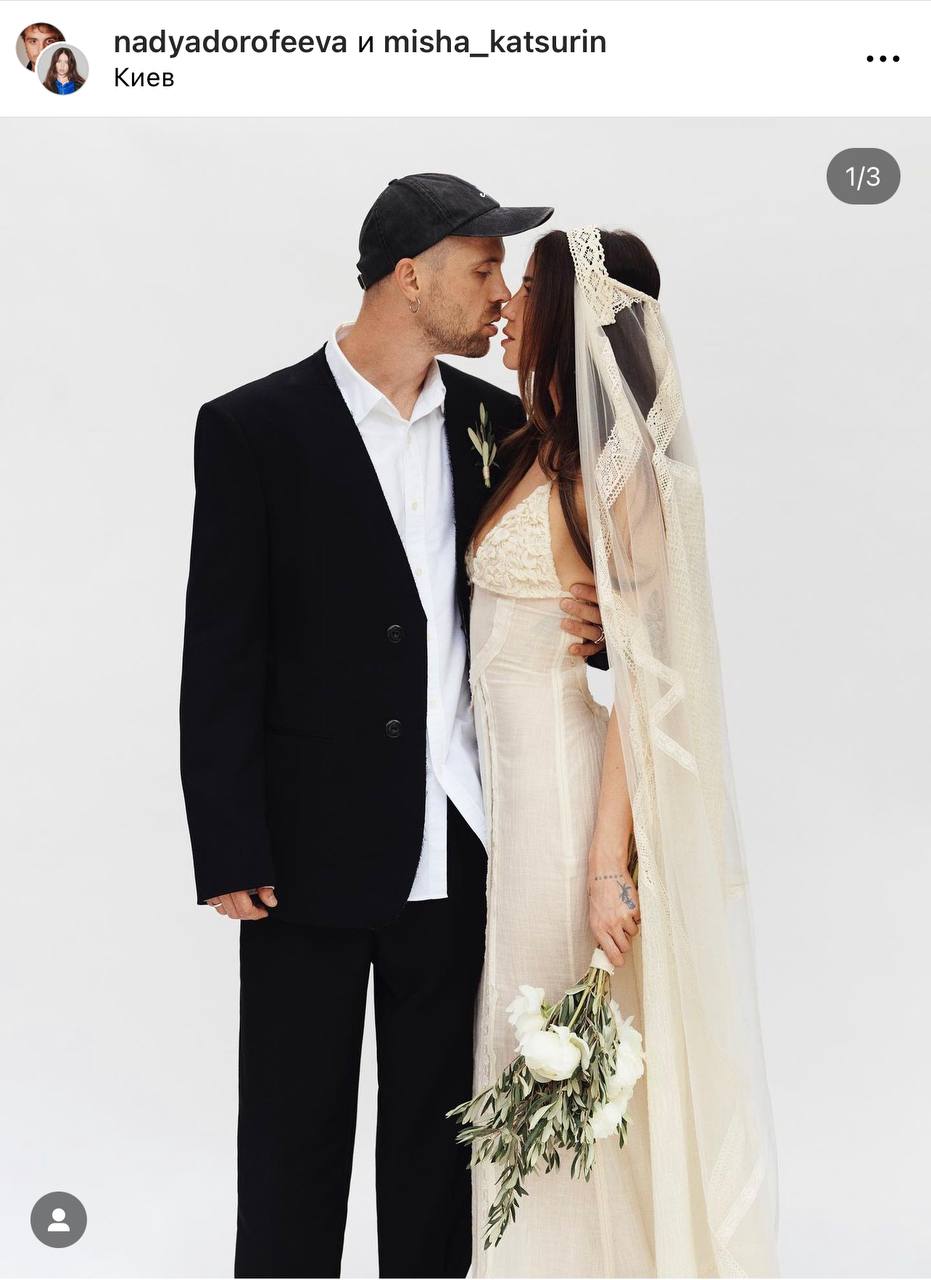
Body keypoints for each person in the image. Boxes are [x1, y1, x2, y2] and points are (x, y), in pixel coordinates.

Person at [178, 174, 608, 1278]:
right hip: (299, 852)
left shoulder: (498, 424)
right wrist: (227, 841)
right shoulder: (252, 428)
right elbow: (221, 648)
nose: (502, 293)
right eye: (483, 267)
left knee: (437, 1144)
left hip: (463, 838)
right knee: (293, 1137)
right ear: (410, 276)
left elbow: (544, 589)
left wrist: (601, 631)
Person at [464, 227, 780, 1276]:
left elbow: (650, 681)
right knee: (518, 1058)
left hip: (562, 806)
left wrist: (607, 863)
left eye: (526, 288)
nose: (506, 306)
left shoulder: (618, 473)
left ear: (569, 315)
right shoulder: (530, 446)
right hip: (500, 807)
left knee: (556, 1073)